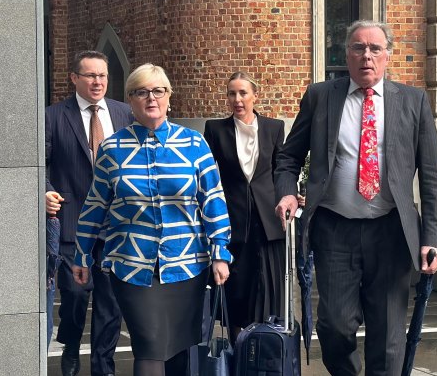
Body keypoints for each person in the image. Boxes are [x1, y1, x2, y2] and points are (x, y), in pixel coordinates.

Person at [274, 20, 437, 375]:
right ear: (346, 54)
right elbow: (288, 157)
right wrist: (288, 192)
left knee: (388, 336)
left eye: (375, 49)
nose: (366, 56)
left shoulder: (413, 102)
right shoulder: (321, 96)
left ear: (387, 55)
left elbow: (431, 177)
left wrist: (433, 239)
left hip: (391, 233)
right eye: (358, 48)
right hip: (335, 231)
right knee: (335, 326)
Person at [72, 63, 232, 376]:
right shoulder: (112, 149)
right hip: (131, 266)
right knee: (149, 346)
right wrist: (81, 253)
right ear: (130, 100)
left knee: (179, 351)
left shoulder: (194, 145)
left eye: (158, 91)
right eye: (141, 92)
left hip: (187, 264)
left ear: (169, 97)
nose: (151, 98)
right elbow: (95, 205)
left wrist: (220, 253)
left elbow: (213, 201)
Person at [45, 50, 133, 376]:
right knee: (75, 297)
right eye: (90, 75)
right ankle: (70, 345)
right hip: (72, 224)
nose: (97, 82)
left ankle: (102, 367)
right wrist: (44, 190)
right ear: (74, 79)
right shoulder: (54, 116)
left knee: (110, 306)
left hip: (116, 227)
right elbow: (39, 163)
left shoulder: (125, 114)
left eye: (103, 76)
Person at [204, 71, 286, 342]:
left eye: (242, 93)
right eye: (231, 93)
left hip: (268, 220)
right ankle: (239, 349)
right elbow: (206, 175)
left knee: (266, 286)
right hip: (232, 220)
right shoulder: (216, 129)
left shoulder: (274, 128)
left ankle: (266, 345)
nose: (237, 99)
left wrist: (292, 195)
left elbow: (281, 171)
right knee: (237, 288)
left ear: (254, 96)